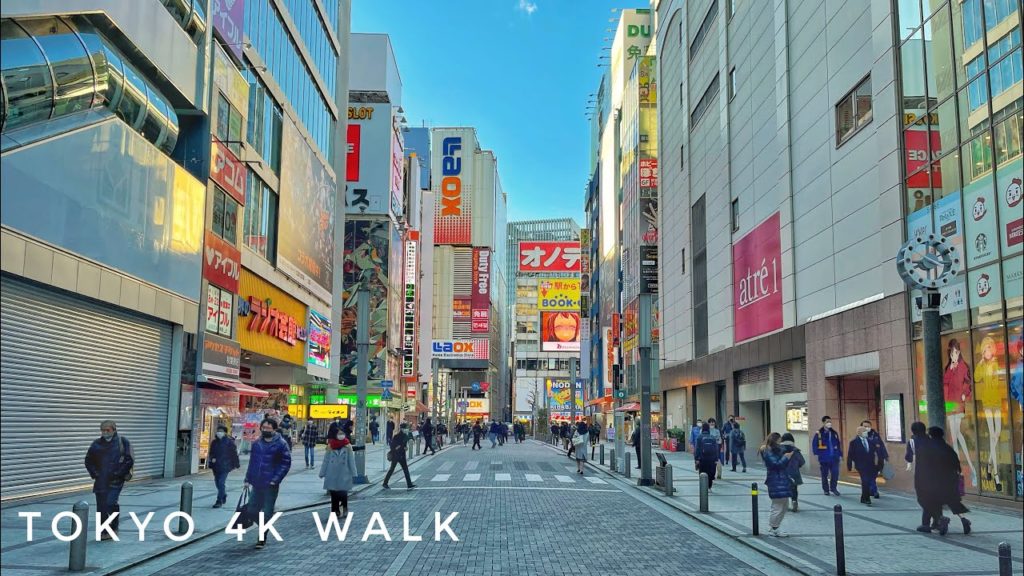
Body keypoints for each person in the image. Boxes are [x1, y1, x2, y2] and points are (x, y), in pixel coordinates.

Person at [244, 418, 292, 549]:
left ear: (274, 429)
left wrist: (275, 479)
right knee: (251, 510)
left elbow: (285, 463)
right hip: (257, 482)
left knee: (266, 512)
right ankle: (264, 526)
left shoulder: (281, 444)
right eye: (263, 428)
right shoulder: (257, 444)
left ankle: (261, 537)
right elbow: (252, 463)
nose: (265, 430)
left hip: (270, 484)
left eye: (268, 428)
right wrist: (247, 479)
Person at [84, 420, 134, 539]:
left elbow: (129, 459)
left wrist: (118, 473)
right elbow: (88, 460)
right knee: (101, 507)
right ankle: (103, 531)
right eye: (103, 430)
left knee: (110, 503)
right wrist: (95, 473)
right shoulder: (96, 444)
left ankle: (113, 526)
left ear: (114, 430)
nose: (105, 432)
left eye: (108, 430)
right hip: (101, 480)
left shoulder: (123, 442)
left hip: (116, 480)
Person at [925, 426, 972, 536]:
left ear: (931, 435)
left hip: (935, 480)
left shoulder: (929, 448)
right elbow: (957, 465)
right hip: (950, 480)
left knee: (933, 501)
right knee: (953, 502)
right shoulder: (947, 448)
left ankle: (941, 519)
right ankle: (964, 520)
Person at [943, 338, 978, 487]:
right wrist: (951, 369)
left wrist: (965, 394)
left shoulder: (963, 366)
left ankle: (968, 470)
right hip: (950, 404)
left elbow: (968, 383)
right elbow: (945, 384)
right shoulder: (948, 368)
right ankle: (963, 472)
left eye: (956, 353)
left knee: (957, 434)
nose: (954, 356)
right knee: (955, 436)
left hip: (958, 402)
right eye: (952, 353)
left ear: (959, 353)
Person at [906, 422, 940, 532]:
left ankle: (931, 522)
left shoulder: (912, 442)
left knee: (923, 498)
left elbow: (909, 457)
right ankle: (936, 522)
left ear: (913, 430)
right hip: (936, 473)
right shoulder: (932, 440)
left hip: (922, 474)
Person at [760, 432, 793, 537]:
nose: (781, 443)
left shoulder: (775, 450)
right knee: (778, 505)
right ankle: (774, 527)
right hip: (775, 480)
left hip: (781, 479)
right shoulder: (768, 451)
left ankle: (775, 526)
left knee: (784, 505)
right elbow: (775, 464)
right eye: (779, 440)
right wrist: (786, 457)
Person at [319, 426, 357, 518]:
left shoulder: (348, 446)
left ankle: (344, 507)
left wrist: (354, 472)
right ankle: (334, 510)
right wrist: (322, 472)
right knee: (334, 493)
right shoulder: (330, 446)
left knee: (343, 493)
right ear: (335, 435)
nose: (341, 436)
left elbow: (351, 460)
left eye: (342, 434)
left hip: (344, 472)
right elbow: (326, 460)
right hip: (332, 472)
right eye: (339, 434)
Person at [848, 425, 884, 506]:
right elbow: (850, 455)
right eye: (864, 431)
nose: (866, 433)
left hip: (871, 465)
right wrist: (850, 465)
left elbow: (876, 452)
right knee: (865, 480)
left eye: (866, 431)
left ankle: (863, 497)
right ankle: (867, 498)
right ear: (860, 433)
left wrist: (879, 463)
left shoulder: (870, 441)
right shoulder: (854, 442)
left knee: (868, 481)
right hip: (861, 465)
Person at [208, 425, 240, 508]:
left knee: (221, 482)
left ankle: (219, 500)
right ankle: (223, 494)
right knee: (217, 482)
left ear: (225, 432)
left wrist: (236, 464)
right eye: (218, 430)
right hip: (216, 465)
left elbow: (234, 454)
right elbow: (211, 453)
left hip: (226, 465)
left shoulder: (229, 442)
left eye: (221, 431)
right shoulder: (214, 442)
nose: (219, 432)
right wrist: (212, 459)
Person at [811, 415, 843, 496]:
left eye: (830, 421)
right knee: (824, 475)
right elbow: (814, 444)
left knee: (835, 474)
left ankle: (833, 488)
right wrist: (817, 454)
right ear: (823, 423)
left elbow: (838, 444)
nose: (829, 423)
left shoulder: (834, 433)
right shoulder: (819, 433)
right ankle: (826, 489)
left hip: (834, 457)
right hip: (824, 458)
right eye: (827, 422)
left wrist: (840, 454)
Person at [860, 419, 889, 498]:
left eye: (868, 426)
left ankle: (872, 490)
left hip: (876, 460)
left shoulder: (875, 435)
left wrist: (885, 457)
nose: (866, 428)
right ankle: (873, 491)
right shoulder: (860, 436)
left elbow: (881, 445)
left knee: (872, 476)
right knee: (868, 477)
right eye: (864, 426)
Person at [383, 423, 416, 490]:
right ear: (402, 429)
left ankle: (409, 484)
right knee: (394, 469)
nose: (406, 429)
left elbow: (402, 445)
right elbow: (394, 447)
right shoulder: (397, 436)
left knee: (404, 469)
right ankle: (385, 483)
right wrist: (402, 447)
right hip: (397, 455)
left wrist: (405, 448)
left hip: (401, 455)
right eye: (405, 428)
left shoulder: (404, 436)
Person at [780, 432, 805, 511]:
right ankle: (794, 501)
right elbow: (802, 461)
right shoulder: (796, 450)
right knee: (794, 488)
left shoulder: (779, 450)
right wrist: (797, 466)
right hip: (794, 473)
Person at [694, 423, 720, 492]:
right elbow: (716, 449)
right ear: (708, 429)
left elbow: (697, 449)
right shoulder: (712, 437)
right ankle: (709, 487)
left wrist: (696, 459)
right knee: (710, 472)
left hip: (702, 458)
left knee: (702, 472)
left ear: (702, 429)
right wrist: (716, 459)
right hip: (711, 459)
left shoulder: (699, 437)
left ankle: (703, 486)